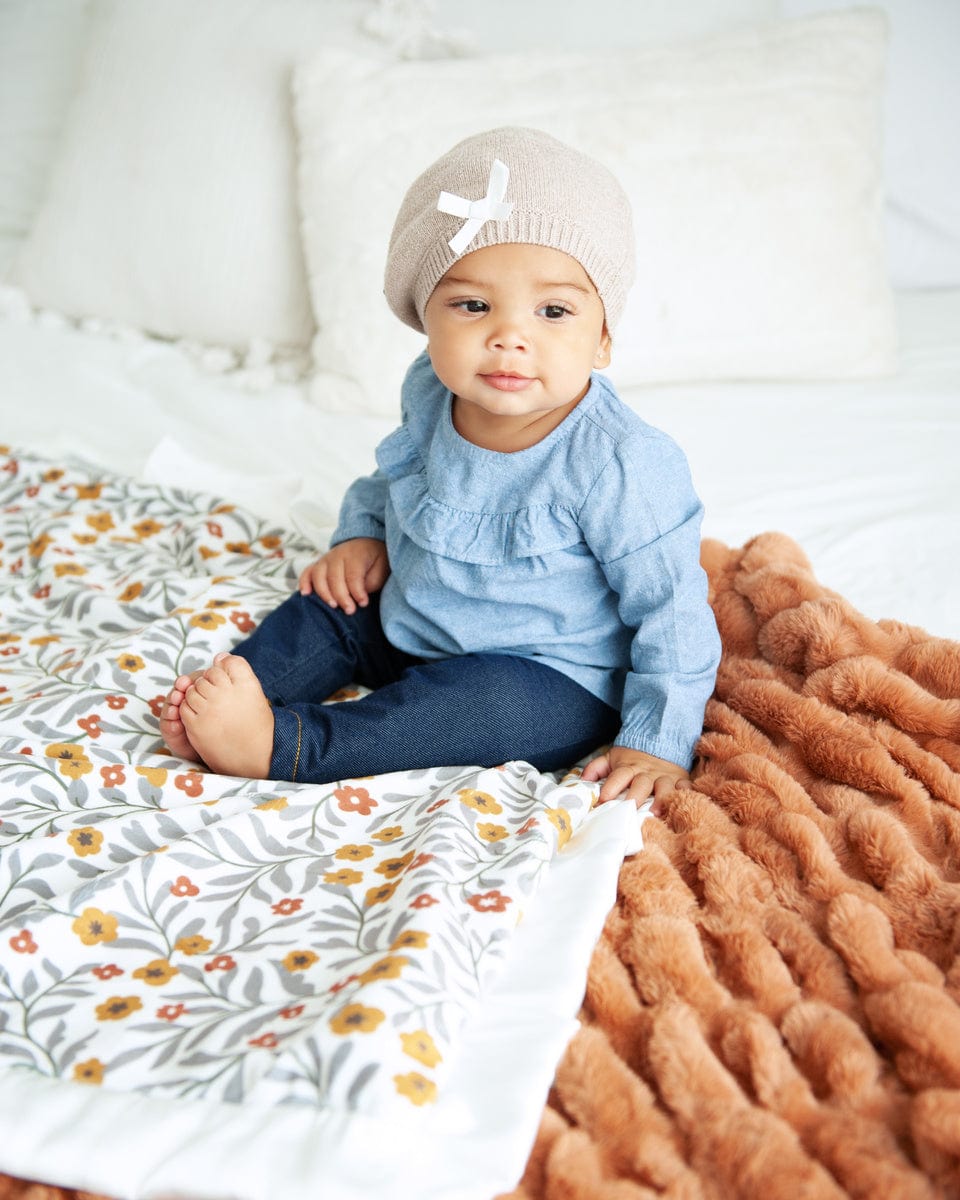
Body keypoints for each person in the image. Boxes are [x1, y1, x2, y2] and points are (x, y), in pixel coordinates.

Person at [161, 126, 721, 808]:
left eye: (553, 311)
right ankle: (238, 692)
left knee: (474, 710)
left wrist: (656, 740)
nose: (509, 336)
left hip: (548, 674)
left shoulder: (621, 463)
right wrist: (361, 535)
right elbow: (394, 476)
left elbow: (672, 611)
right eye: (473, 305)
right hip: (410, 617)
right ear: (426, 320)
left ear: (603, 338)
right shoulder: (429, 390)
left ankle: (288, 745)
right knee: (329, 605)